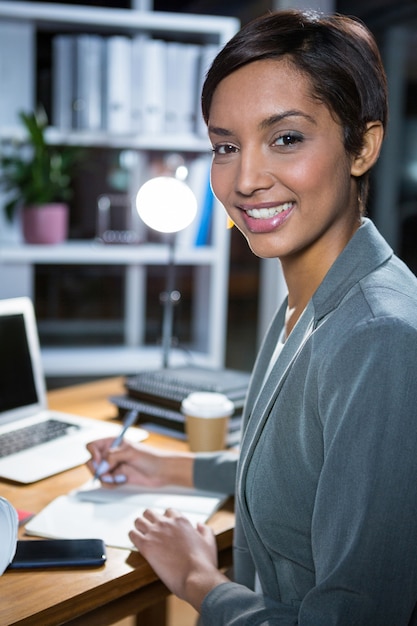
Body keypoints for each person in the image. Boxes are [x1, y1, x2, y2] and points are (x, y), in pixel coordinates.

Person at [87, 9, 417, 624]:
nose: (245, 179)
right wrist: (172, 467)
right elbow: (313, 472)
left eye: (286, 138)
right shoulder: (311, 297)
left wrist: (198, 581)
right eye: (226, 146)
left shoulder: (379, 336)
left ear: (363, 146)